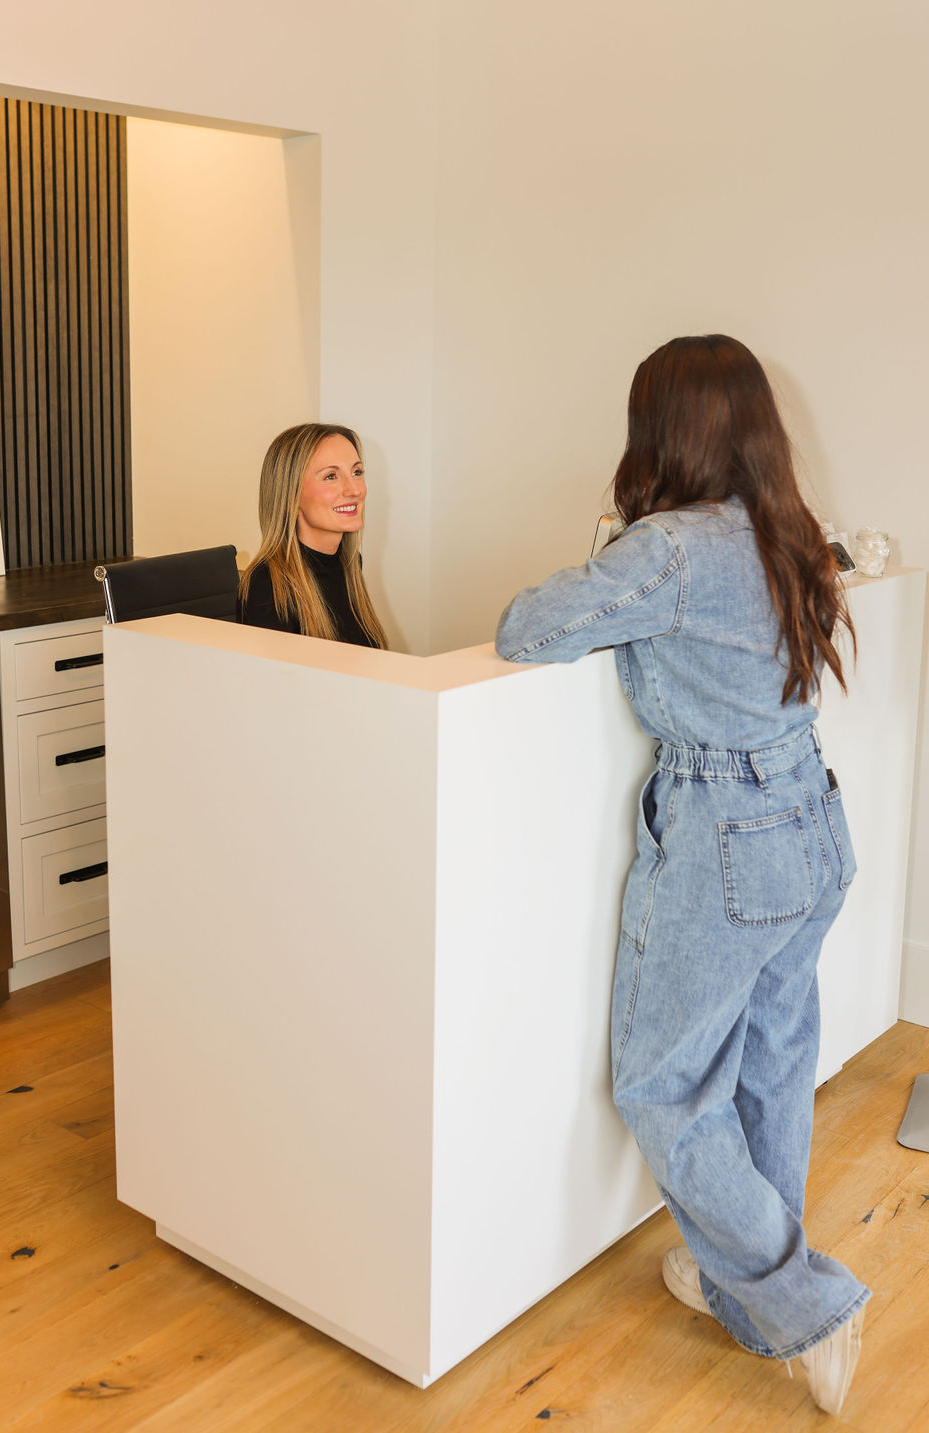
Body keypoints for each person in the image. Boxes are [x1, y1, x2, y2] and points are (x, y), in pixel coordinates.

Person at [495, 335, 868, 1417]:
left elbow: (526, 627)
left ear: (664, 429)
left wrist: (621, 546)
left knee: (662, 1088)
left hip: (727, 830)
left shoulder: (667, 548)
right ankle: (747, 1298)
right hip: (809, 818)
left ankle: (803, 1299)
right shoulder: (786, 530)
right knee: (768, 1062)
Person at [239, 423, 388, 648]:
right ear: (291, 493)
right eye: (331, 476)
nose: (355, 490)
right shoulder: (267, 586)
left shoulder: (349, 563)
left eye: (356, 472)